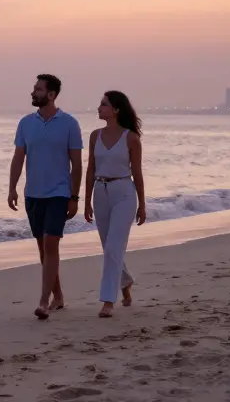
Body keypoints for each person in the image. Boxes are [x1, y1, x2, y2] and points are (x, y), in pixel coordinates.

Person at [8, 73, 83, 320]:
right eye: (34, 88)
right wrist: (12, 188)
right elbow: (19, 157)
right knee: (43, 249)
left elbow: (77, 164)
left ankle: (43, 301)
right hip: (33, 194)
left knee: (51, 244)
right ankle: (58, 296)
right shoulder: (25, 123)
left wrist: (74, 197)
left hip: (59, 194)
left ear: (51, 94)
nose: (33, 92)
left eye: (38, 89)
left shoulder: (69, 123)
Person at [83, 90, 146, 318]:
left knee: (112, 248)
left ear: (116, 109)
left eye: (104, 104)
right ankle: (125, 281)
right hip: (100, 191)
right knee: (109, 247)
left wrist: (142, 204)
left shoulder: (131, 138)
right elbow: (90, 169)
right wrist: (87, 201)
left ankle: (108, 300)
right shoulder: (94, 136)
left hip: (124, 193)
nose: (99, 108)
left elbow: (138, 174)